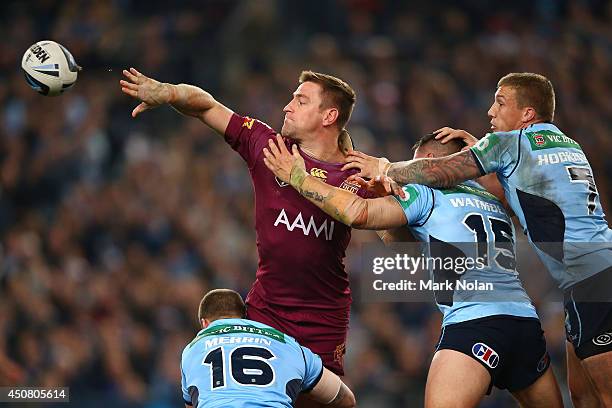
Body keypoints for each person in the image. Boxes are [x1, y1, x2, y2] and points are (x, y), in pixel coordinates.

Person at [340, 72, 612, 406]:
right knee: (583, 397)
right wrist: (478, 145)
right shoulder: (566, 144)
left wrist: (384, 167)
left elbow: (436, 176)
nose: (490, 112)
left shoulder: (503, 148)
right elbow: (510, 191)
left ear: (527, 114)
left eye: (500, 102)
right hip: (563, 292)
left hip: (581, 282)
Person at [120, 68, 381, 406]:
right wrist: (169, 93)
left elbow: (396, 228)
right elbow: (207, 107)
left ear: (329, 116)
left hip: (324, 318)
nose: (287, 107)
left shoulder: (358, 175)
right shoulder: (268, 146)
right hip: (266, 311)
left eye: (301, 101)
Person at [262, 132, 563, 407]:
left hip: (475, 323)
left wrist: (298, 177)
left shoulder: (426, 193)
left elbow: (357, 213)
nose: (406, 177)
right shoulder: (493, 201)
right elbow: (411, 250)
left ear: (430, 163)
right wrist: (385, 198)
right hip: (524, 323)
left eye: (413, 166)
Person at [181, 289, 356, 408]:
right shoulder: (290, 345)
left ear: (204, 323)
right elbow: (346, 400)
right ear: (245, 317)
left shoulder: (192, 351)